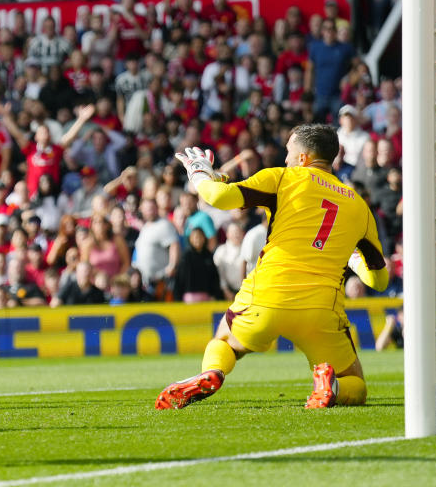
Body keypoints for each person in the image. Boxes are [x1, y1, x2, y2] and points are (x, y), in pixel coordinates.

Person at [156, 124, 388, 410]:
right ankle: (333, 385)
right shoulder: (359, 206)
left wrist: (199, 172)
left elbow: (218, 196)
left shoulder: (283, 177)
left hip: (268, 297)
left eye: (289, 153)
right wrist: (353, 258)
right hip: (321, 310)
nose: (286, 159)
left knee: (226, 341)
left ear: (302, 158)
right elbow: (379, 280)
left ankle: (211, 372)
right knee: (357, 385)